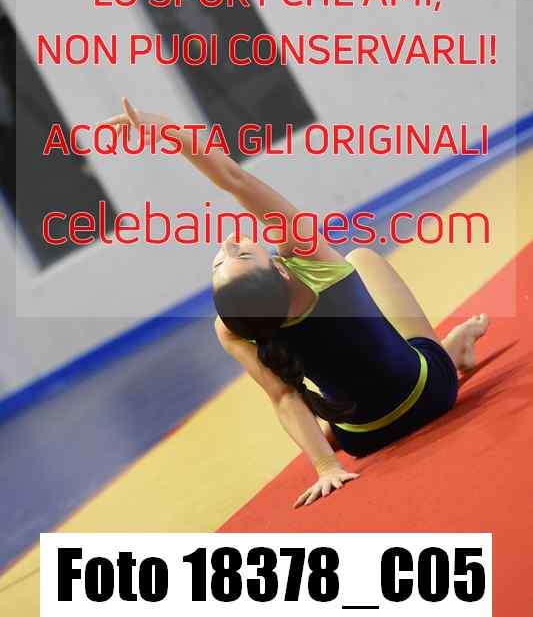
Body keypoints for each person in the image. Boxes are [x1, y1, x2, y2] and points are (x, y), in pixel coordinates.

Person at [105, 98, 489, 508]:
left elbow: (284, 397)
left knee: (339, 392)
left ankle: (449, 351)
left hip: (364, 439)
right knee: (362, 257)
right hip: (434, 393)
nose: (229, 242)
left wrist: (326, 467)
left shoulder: (231, 326)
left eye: (222, 259)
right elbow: (234, 179)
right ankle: (448, 352)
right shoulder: (311, 259)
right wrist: (166, 130)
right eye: (239, 254)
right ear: (282, 271)